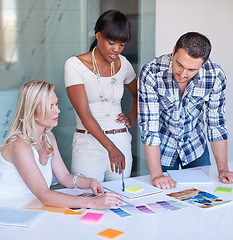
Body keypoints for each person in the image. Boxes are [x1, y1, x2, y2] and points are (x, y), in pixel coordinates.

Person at [0, 80, 122, 209]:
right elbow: (44, 195)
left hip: (33, 208)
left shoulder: (49, 138)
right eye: (50, 106)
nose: (58, 111)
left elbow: (64, 177)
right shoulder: (19, 145)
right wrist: (92, 202)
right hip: (8, 211)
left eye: (56, 104)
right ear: (32, 110)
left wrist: (90, 182)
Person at [138, 32, 233, 189]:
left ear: (204, 63)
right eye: (180, 64)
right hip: (163, 149)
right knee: (166, 199)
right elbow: (150, 126)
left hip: (195, 146)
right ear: (174, 51)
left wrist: (222, 169)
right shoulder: (151, 72)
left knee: (204, 196)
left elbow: (216, 124)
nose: (183, 74)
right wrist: (156, 175)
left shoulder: (215, 75)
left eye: (191, 69)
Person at [64, 10, 137, 182]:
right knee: (87, 201)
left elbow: (139, 95)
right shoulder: (75, 65)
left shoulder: (123, 64)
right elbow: (84, 113)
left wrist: (131, 119)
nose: (116, 49)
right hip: (88, 146)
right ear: (98, 35)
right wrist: (111, 148)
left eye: (122, 45)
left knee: (121, 200)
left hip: (120, 142)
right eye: (111, 42)